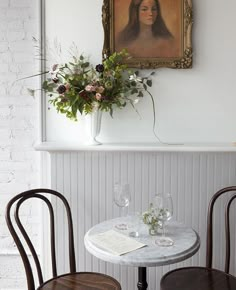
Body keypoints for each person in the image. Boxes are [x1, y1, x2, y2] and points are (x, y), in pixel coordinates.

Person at [116, 0, 180, 58]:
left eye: (154, 9)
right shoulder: (123, 40)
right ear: (135, 12)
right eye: (144, 9)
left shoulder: (167, 40)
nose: (151, 14)